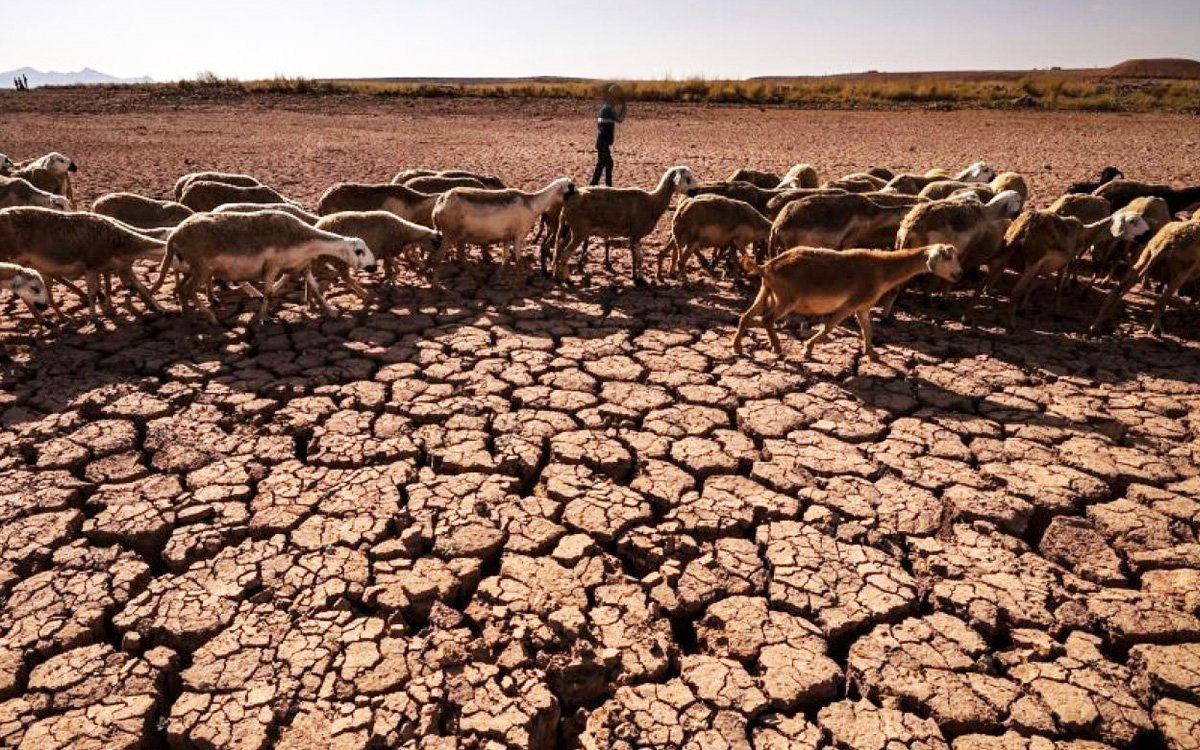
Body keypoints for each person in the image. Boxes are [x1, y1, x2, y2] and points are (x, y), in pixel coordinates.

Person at [591, 84, 627, 187]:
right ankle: (607, 186)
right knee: (608, 164)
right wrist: (624, 107)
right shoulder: (608, 109)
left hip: (602, 142)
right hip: (603, 142)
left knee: (602, 164)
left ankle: (595, 185)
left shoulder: (606, 108)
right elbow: (620, 119)